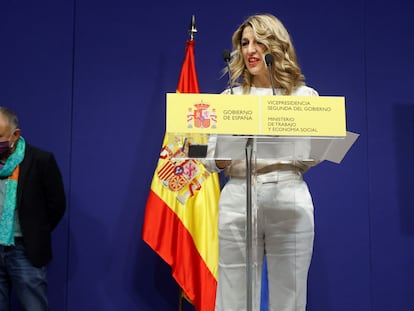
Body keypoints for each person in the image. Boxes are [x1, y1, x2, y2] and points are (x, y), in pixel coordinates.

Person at [209, 13, 319, 311]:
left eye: (259, 41)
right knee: (233, 293)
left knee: (290, 292)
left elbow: (310, 156)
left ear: (276, 46)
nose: (250, 50)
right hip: (238, 194)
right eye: (245, 43)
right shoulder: (229, 97)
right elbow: (212, 160)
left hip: (288, 194)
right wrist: (225, 147)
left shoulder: (303, 96)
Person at [0, 106, 66, 311]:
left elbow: (56, 205)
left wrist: (35, 232)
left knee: (34, 307)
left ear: (15, 134)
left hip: (25, 250)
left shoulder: (40, 160)